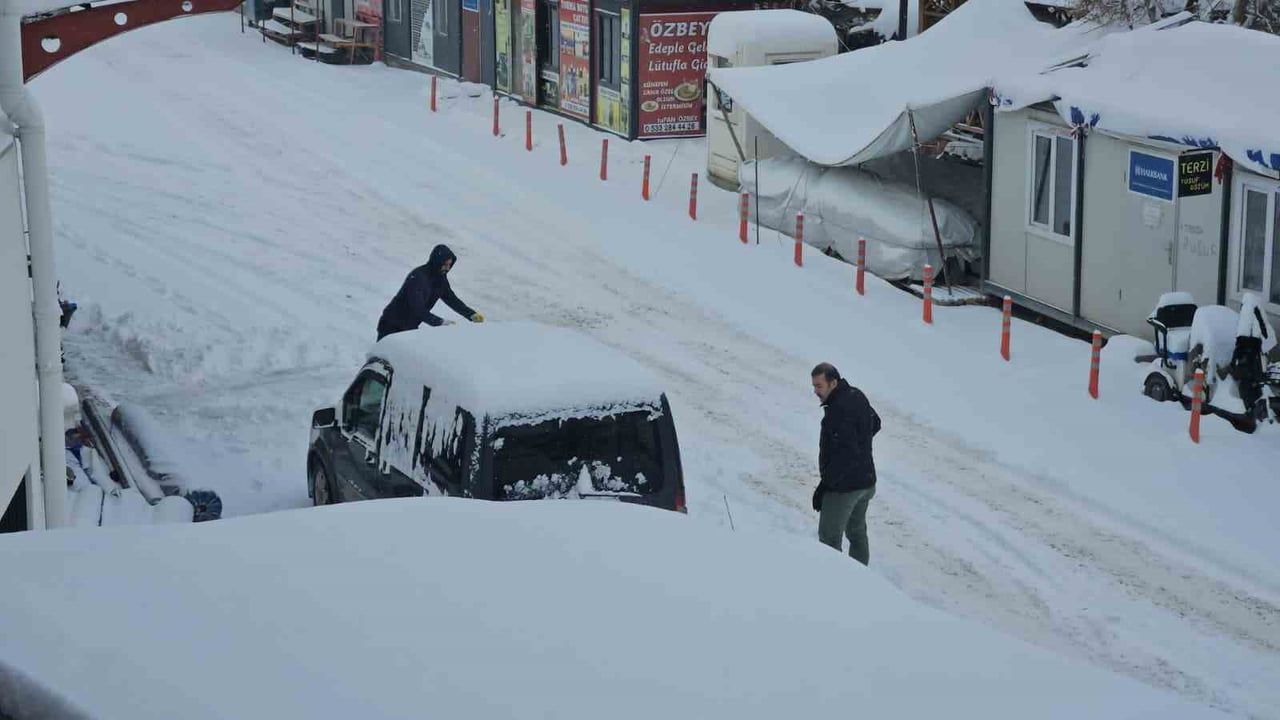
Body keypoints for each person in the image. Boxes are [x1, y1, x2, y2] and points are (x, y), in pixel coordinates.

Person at [810, 362, 881, 565]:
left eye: (819, 386)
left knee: (829, 539)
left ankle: (836, 585)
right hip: (866, 482)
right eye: (814, 386)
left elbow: (846, 455)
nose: (815, 391)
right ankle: (862, 581)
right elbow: (875, 423)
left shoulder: (837, 412)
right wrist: (862, 441)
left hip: (845, 488)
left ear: (833, 383)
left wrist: (825, 486)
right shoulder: (856, 395)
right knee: (857, 533)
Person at [377, 244, 484, 341]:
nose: (447, 268)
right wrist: (439, 322)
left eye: (449, 265)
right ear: (437, 262)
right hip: (391, 324)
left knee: (400, 360)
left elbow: (451, 299)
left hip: (409, 327)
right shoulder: (418, 277)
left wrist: (471, 314)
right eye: (445, 264)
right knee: (381, 358)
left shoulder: (440, 279)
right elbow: (416, 308)